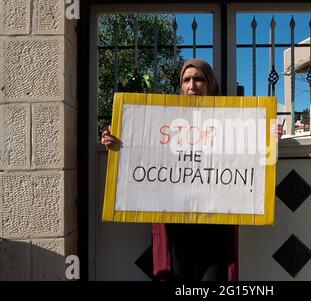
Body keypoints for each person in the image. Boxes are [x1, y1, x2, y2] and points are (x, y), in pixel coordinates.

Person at [102, 58, 283, 280]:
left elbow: (249, 154)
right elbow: (143, 147)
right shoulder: (165, 119)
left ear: (210, 83)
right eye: (186, 80)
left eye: (198, 79)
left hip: (216, 223)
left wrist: (269, 138)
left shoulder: (231, 120)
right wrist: (117, 139)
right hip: (177, 223)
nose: (192, 85)